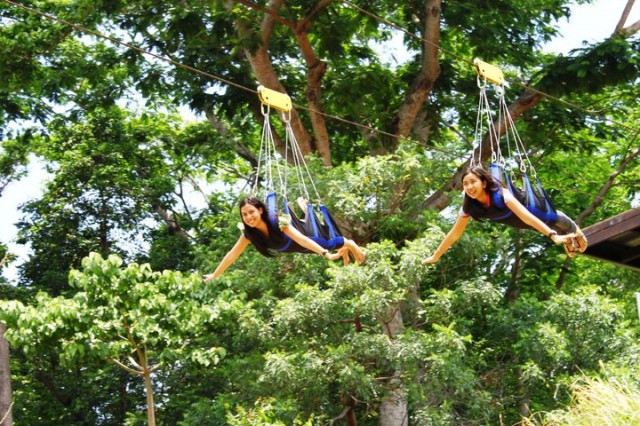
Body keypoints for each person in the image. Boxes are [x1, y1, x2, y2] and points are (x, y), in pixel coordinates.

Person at [422, 165, 588, 264]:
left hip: (533, 212)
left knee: (552, 219)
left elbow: (526, 217)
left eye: (473, 182)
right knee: (547, 228)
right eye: (465, 184)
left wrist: (552, 236)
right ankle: (564, 236)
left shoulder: (501, 195)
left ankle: (575, 229)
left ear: (484, 183)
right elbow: (454, 234)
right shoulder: (469, 207)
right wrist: (436, 256)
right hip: (523, 224)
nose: (469, 186)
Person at [204, 196, 366, 282]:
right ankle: (342, 250)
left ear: (260, 210)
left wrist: (325, 254)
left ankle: (349, 243)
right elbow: (232, 255)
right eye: (244, 215)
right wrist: (216, 274)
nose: (248, 217)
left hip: (302, 239)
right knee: (329, 247)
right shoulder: (249, 234)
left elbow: (302, 240)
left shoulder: (277, 222)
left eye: (251, 212)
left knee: (329, 243)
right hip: (299, 249)